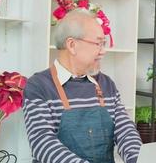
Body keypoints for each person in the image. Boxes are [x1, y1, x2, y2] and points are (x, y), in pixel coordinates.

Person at [22, 9, 142, 163]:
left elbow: (125, 131)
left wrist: (139, 159)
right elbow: (42, 143)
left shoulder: (106, 84)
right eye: (98, 43)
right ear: (72, 45)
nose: (103, 51)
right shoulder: (39, 86)